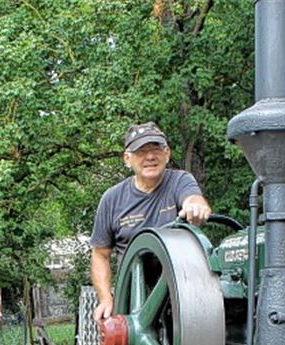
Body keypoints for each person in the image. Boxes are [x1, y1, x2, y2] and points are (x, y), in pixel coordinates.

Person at [90, 121, 212, 322]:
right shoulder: (112, 199)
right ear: (127, 158)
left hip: (183, 295)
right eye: (141, 151)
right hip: (133, 302)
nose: (150, 157)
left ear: (167, 153)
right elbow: (100, 255)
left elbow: (193, 198)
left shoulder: (180, 181)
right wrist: (105, 298)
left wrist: (195, 206)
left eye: (156, 149)